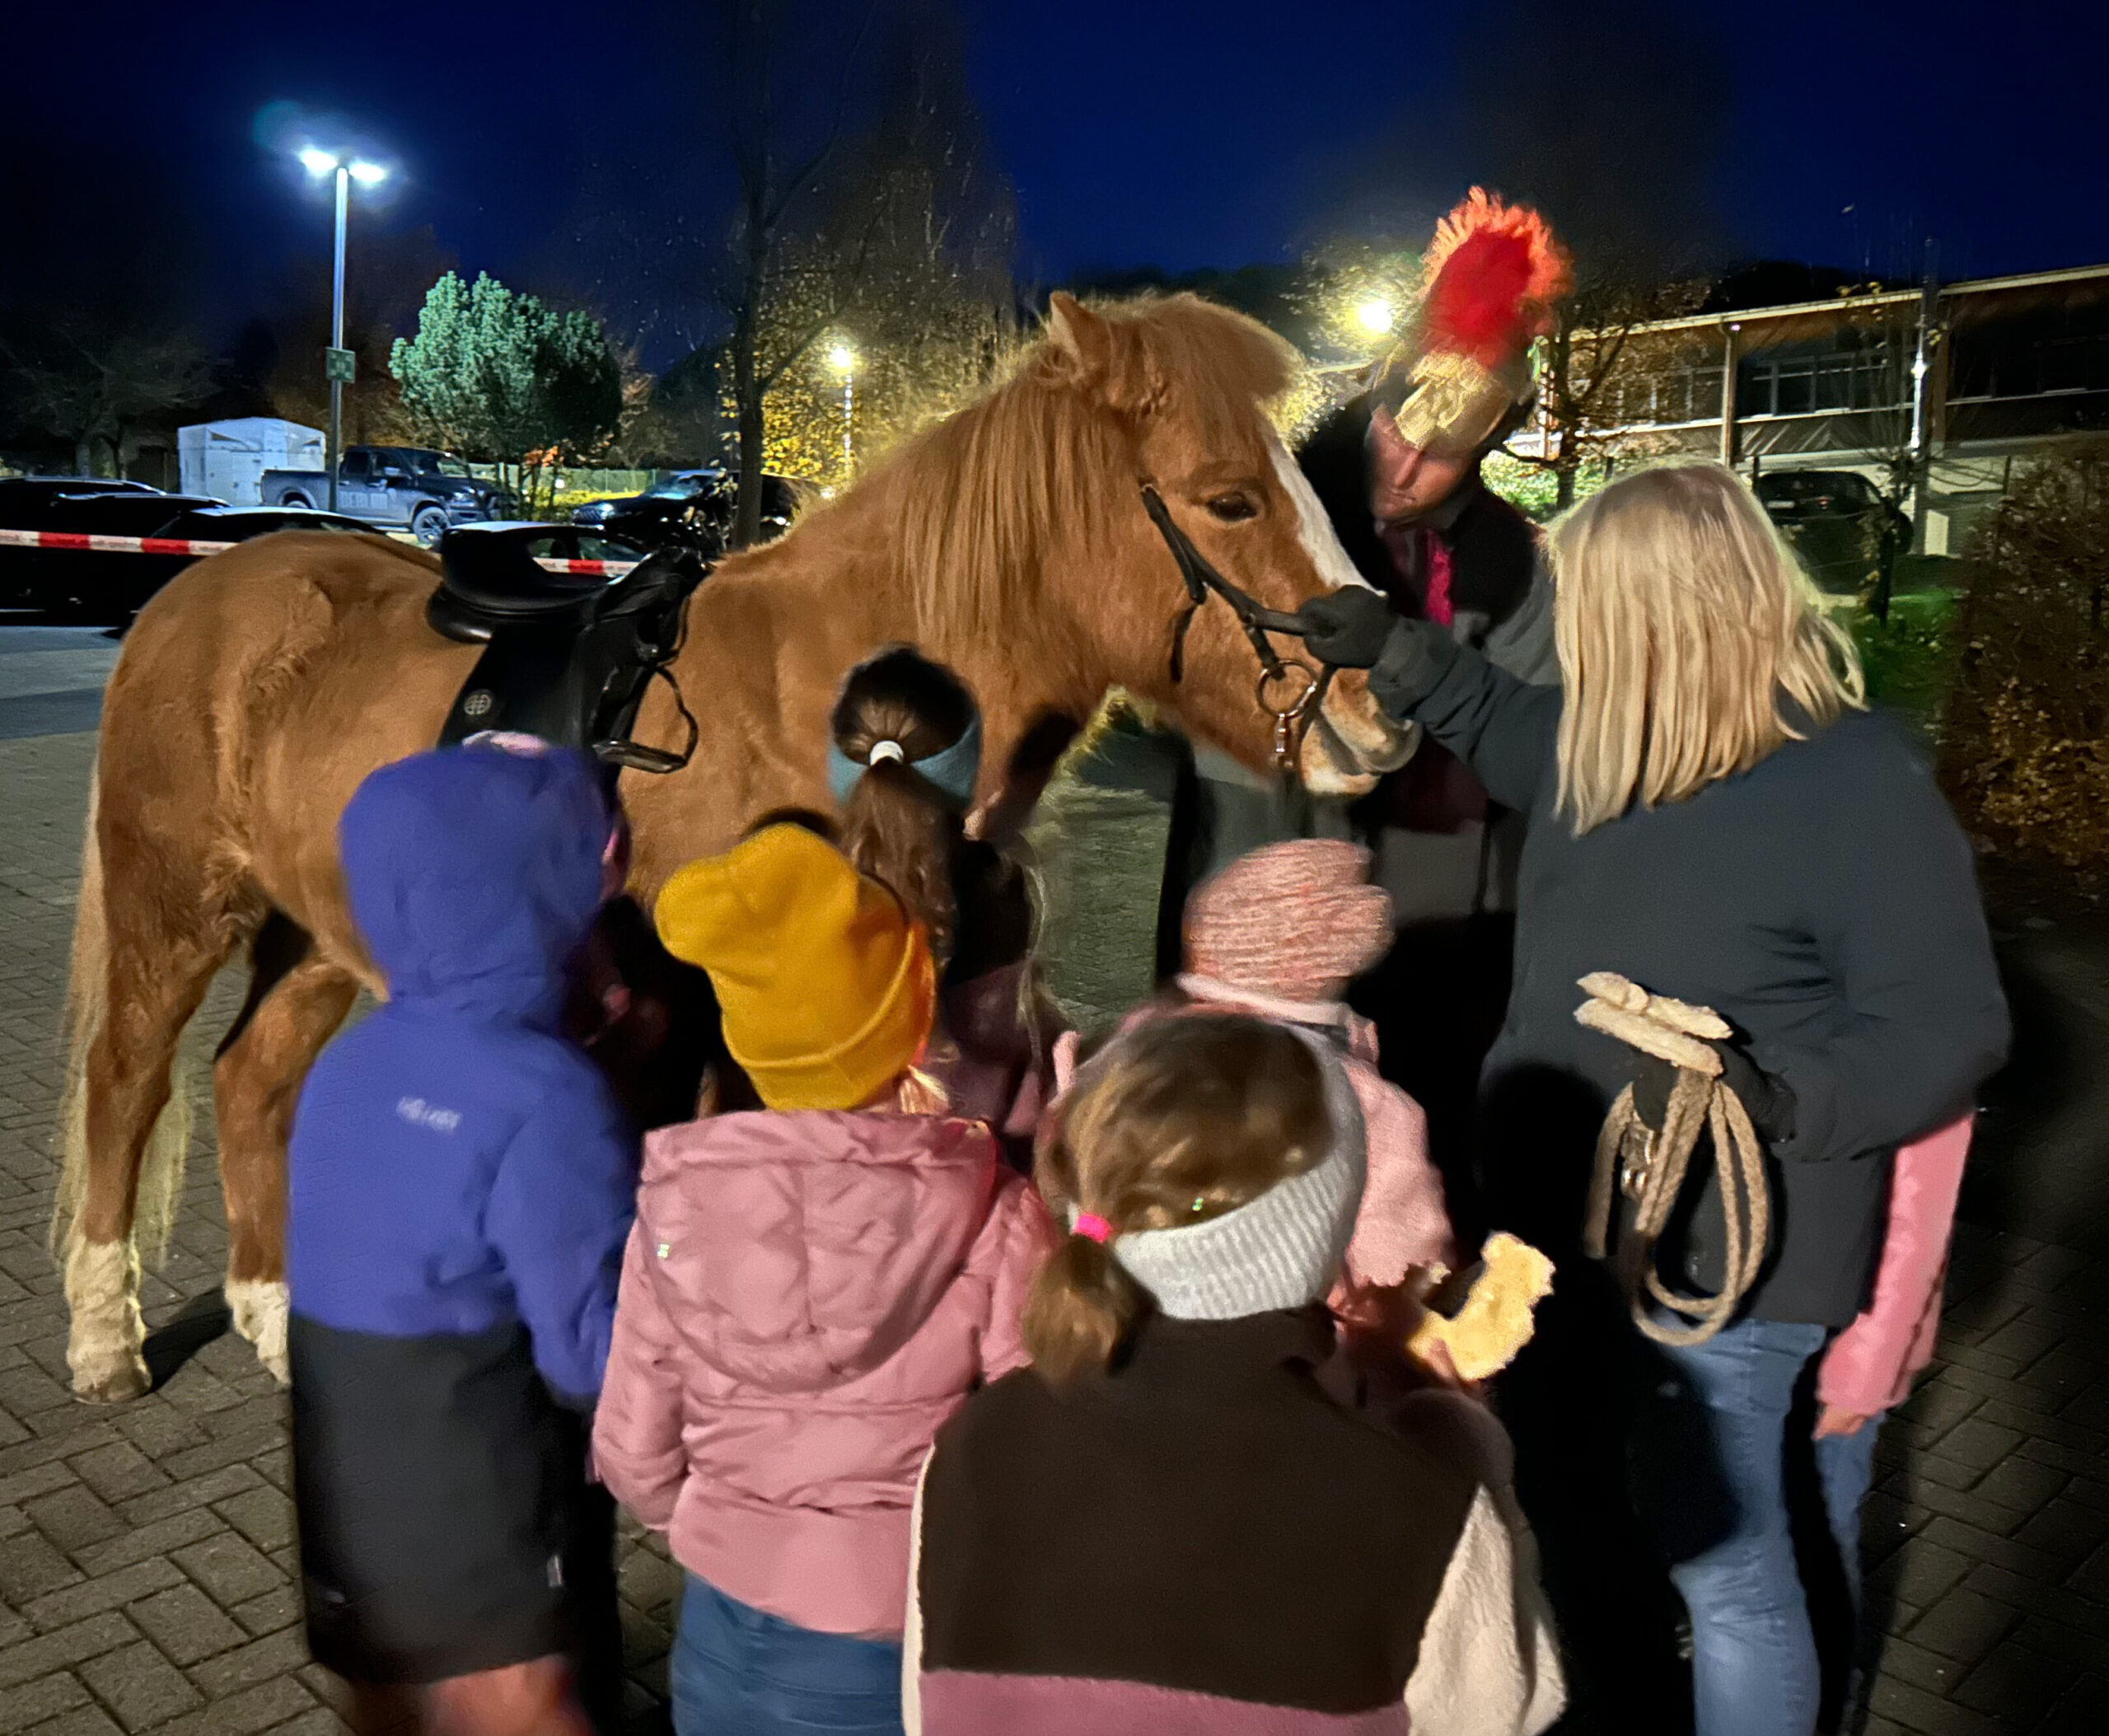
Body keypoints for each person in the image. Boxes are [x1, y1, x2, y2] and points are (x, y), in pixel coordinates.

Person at [1291, 462, 2011, 1736]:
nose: (1570, 623)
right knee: (1576, 1498)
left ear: (1669, 609)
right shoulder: (1600, 738)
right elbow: (1490, 715)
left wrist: (1780, 1097)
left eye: (1592, 599)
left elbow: (1948, 1026)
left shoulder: (1854, 780)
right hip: (1559, 1220)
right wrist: (1386, 645)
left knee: (1724, 1562)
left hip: (1739, 1253)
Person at [907, 1013, 1565, 1735]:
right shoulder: (1415, 1492)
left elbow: (924, 1712)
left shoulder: (972, 1443)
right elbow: (1507, 1708)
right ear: (1318, 1220)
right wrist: (1460, 1433)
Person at [592, 822, 1053, 1736]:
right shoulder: (995, 1209)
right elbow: (1034, 1442)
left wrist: (725, 1525)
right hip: (896, 1633)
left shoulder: (674, 1214)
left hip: (719, 1627)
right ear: (904, 1020)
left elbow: (633, 1452)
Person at [287, 742, 638, 1736]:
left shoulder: (347, 1066)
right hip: (482, 1499)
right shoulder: (547, 1096)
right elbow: (591, 1358)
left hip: (347, 1499)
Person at [1298, 189, 1574, 1231]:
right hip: (1298, 890)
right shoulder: (1292, 513)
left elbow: (1533, 749)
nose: (1403, 469)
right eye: (1394, 434)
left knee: (1430, 1170)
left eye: (1441, 454)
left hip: (1449, 919)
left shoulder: (1512, 567)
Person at [1131, 837, 1457, 1341]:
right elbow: (1400, 1267)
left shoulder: (1129, 1066)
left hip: (1139, 1343)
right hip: (1297, 1357)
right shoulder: (1362, 1103)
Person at [827, 646, 1051, 1149]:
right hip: (978, 1175)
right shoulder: (1009, 893)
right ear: (963, 773)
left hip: (824, 1180)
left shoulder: (793, 887)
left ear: (841, 767)